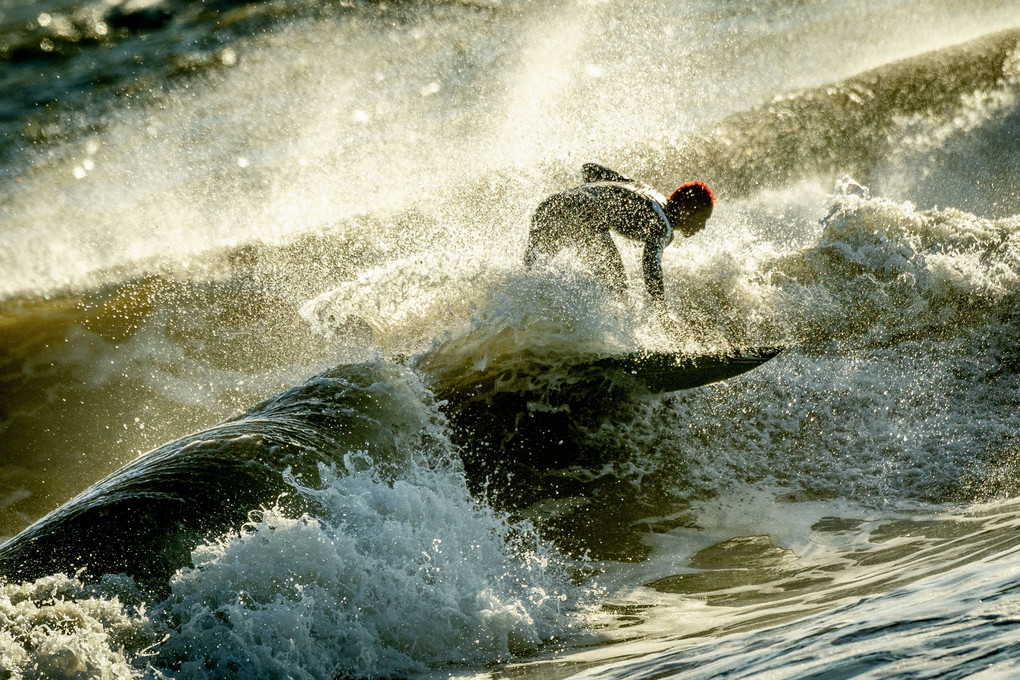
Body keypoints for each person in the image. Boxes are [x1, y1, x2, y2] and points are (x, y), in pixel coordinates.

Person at [524, 162, 713, 316]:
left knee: (530, 277)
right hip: (583, 215)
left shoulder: (640, 187)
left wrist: (600, 195)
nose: (702, 227)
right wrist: (661, 312)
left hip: (551, 206)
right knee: (618, 289)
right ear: (688, 210)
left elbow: (590, 169)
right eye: (702, 219)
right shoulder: (662, 225)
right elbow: (650, 265)